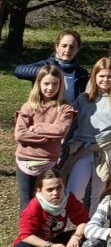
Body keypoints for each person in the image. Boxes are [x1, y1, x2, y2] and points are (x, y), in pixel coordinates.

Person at [65, 59, 111, 213]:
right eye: (101, 76)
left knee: (98, 194)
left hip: (108, 150)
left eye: (110, 76)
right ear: (94, 77)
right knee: (74, 191)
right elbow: (70, 122)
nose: (105, 80)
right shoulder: (83, 99)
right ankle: (75, 223)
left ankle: (94, 224)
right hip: (83, 149)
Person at [15, 65, 77, 211]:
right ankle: (27, 227)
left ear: (60, 85)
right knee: (26, 202)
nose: (50, 88)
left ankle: (46, 226)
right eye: (46, 83)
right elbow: (20, 134)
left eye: (55, 84)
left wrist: (36, 128)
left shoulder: (65, 107)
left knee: (47, 201)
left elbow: (60, 131)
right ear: (39, 84)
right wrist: (48, 138)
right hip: (25, 160)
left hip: (48, 161)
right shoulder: (29, 106)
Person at [11, 169, 88, 247]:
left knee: (87, 234)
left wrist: (76, 237)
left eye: (59, 187)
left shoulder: (69, 199)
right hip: (36, 244)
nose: (55, 193)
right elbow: (26, 235)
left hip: (54, 240)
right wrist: (50, 246)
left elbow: (84, 221)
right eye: (49, 190)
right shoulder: (34, 206)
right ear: (40, 190)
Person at [15, 29, 88, 103]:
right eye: (64, 46)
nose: (67, 50)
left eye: (72, 47)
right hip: (45, 109)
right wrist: (45, 72)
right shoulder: (46, 65)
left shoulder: (82, 73)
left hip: (71, 110)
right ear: (57, 47)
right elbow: (19, 70)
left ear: (78, 49)